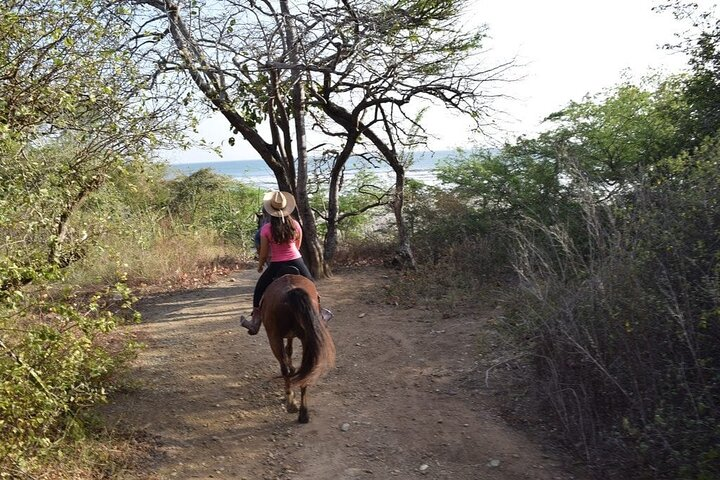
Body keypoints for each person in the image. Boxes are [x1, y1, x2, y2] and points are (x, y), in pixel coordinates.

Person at [240, 191, 314, 335]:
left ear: (270, 210)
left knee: (259, 290)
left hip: (276, 264)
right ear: (287, 207)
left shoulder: (266, 229)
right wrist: (292, 255)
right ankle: (319, 313)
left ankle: (255, 321)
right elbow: (298, 244)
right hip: (296, 260)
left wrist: (260, 266)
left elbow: (263, 252)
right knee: (311, 285)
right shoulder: (295, 224)